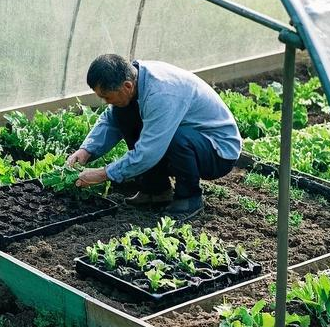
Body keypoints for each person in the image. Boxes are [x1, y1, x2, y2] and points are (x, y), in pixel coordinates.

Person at [66, 54, 241, 219]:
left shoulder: (162, 93)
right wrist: (86, 150)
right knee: (123, 113)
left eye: (107, 97)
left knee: (175, 138)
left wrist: (104, 174)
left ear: (127, 86)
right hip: (192, 138)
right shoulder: (135, 80)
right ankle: (155, 190)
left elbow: (148, 152)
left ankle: (189, 198)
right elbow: (111, 120)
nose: (105, 102)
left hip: (217, 151)